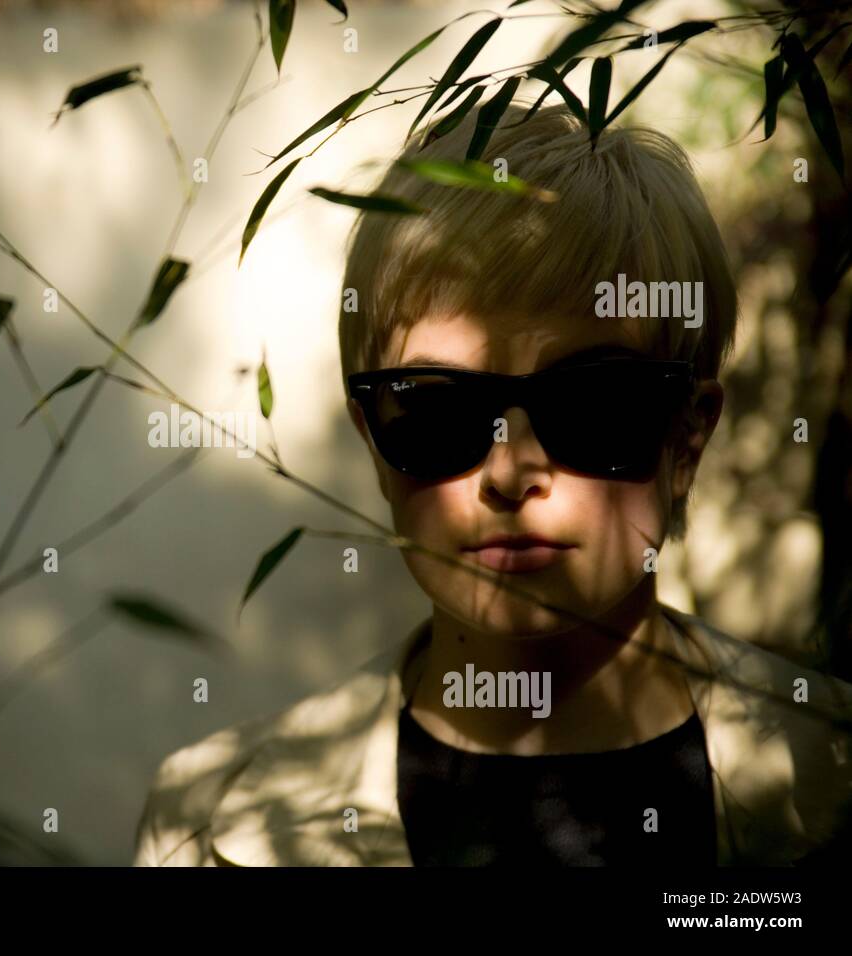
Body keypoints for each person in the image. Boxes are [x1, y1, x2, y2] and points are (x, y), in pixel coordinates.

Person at [131, 104, 852, 866]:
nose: (510, 472)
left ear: (687, 436)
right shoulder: (211, 821)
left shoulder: (831, 774)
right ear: (373, 441)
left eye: (595, 404)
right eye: (438, 412)